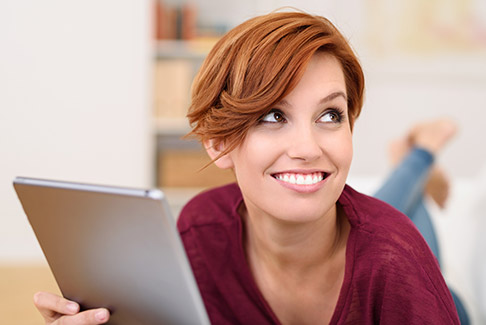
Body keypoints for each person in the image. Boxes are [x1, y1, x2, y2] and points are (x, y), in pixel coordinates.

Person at [33, 11, 460, 324]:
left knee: (397, 223)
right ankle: (416, 167)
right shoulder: (200, 233)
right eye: (272, 116)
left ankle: (418, 159)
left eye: (330, 115)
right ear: (218, 143)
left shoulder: (397, 261)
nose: (308, 148)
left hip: (440, 300)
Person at [373, 118, 470, 324]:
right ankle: (416, 162)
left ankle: (413, 169)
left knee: (359, 243)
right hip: (439, 306)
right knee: (363, 242)